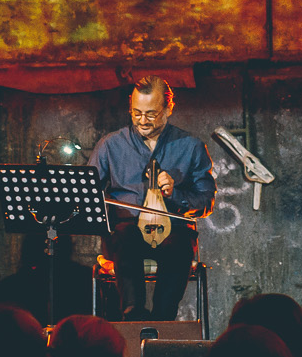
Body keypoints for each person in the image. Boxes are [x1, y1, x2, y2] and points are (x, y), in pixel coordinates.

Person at [90, 76, 215, 321]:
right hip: (126, 232)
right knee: (125, 237)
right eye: (136, 113)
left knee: (178, 246)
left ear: (168, 109)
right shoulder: (110, 145)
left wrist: (175, 193)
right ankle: (133, 317)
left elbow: (206, 202)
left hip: (175, 232)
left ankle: (162, 323)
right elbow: (88, 194)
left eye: (151, 114)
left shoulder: (191, 146)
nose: (142, 121)